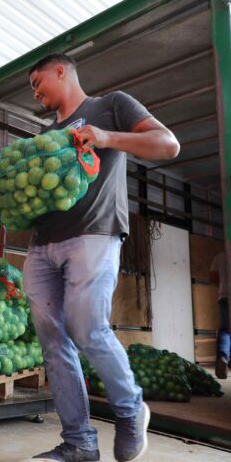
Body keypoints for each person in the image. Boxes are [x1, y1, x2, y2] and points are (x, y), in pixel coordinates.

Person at [23, 54, 179, 462]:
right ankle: (79, 444)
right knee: (54, 343)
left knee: (87, 327)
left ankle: (130, 411)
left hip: (94, 233)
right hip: (42, 245)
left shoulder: (112, 106)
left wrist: (108, 137)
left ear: (61, 71)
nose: (35, 91)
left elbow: (168, 144)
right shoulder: (47, 133)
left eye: (38, 81)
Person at [210, 251, 230, 379]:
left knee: (226, 330)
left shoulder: (220, 256)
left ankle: (223, 357)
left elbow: (212, 277)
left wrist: (223, 284)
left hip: (225, 297)